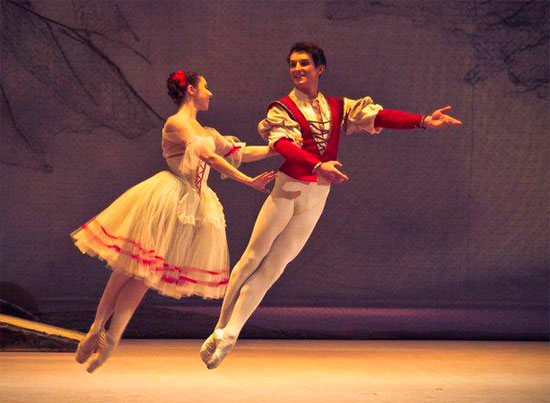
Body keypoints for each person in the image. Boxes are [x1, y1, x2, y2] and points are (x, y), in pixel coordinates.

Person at [201, 42, 462, 369]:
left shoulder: (339, 106)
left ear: (319, 69)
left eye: (304, 64)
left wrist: (423, 120)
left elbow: (380, 116)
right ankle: (219, 327)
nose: (297, 69)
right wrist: (315, 165)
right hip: (288, 190)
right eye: (293, 64)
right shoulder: (282, 107)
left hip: (317, 196)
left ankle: (230, 334)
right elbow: (281, 143)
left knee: (275, 266)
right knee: (253, 257)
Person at [71, 69, 276, 373]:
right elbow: (209, 157)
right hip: (166, 200)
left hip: (191, 208)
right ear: (191, 90)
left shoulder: (206, 130)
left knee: (144, 276)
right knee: (129, 267)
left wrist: (277, 148)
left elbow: (240, 152)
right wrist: (248, 182)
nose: (211, 93)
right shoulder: (177, 124)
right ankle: (97, 326)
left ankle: (112, 339)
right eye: (206, 87)